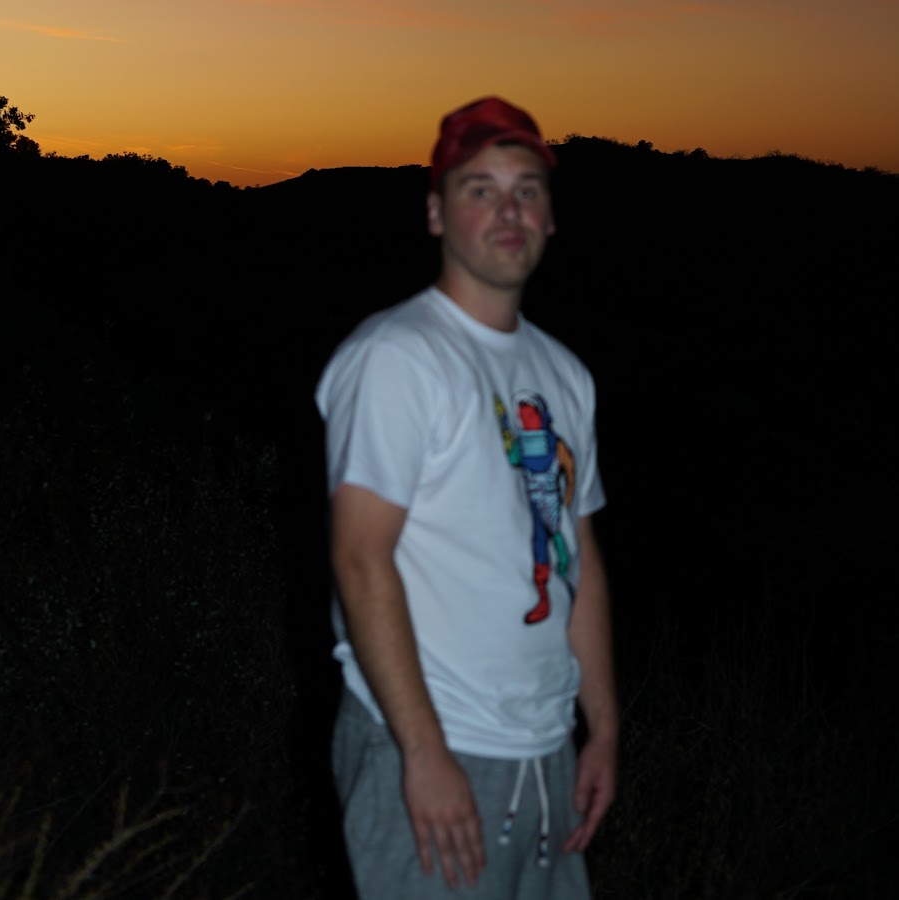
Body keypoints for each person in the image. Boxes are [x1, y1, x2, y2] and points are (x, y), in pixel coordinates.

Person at [315, 96, 618, 899]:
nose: (508, 211)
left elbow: (579, 557)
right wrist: (423, 752)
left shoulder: (566, 375)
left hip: (547, 752)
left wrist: (602, 729)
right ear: (435, 214)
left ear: (550, 218)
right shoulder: (399, 356)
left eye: (527, 191)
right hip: (436, 749)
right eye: (480, 189)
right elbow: (360, 557)